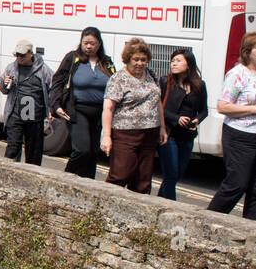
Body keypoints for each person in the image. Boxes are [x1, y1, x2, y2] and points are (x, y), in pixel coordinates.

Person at [207, 31, 256, 221]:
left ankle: (252, 229)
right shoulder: (237, 74)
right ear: (247, 50)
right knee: (237, 184)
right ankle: (209, 221)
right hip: (241, 136)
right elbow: (223, 106)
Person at [51, 27, 116, 179]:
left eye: (92, 43)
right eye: (85, 43)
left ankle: (87, 184)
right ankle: (65, 179)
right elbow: (58, 82)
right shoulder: (73, 58)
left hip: (99, 113)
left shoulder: (106, 62)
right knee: (82, 150)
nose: (88, 46)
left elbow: (114, 85)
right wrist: (56, 106)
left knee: (93, 153)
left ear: (99, 44)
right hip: (77, 110)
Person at [102, 39, 166, 193]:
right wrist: (106, 136)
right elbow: (108, 107)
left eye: (143, 60)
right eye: (136, 59)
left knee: (143, 179)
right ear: (128, 59)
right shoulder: (118, 78)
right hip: (125, 133)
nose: (140, 63)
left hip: (150, 132)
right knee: (121, 173)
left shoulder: (152, 75)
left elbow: (157, 103)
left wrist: (162, 128)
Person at [158, 49, 208, 200]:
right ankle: (171, 206)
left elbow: (204, 110)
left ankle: (159, 200)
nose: (174, 63)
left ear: (188, 64)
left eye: (178, 60)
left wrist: (197, 120)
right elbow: (158, 108)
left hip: (187, 136)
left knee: (177, 174)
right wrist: (176, 119)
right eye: (172, 61)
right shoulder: (165, 82)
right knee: (171, 173)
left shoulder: (199, 85)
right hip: (169, 133)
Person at [0, 39, 53, 165]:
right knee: (13, 147)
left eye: (22, 55)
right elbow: (3, 90)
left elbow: (53, 88)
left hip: (35, 116)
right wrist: (5, 84)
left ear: (31, 54)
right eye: (17, 55)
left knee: (33, 152)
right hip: (16, 113)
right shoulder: (11, 68)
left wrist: (52, 108)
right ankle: (8, 174)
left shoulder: (43, 70)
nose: (19, 58)